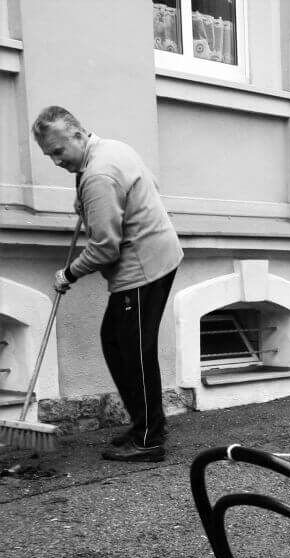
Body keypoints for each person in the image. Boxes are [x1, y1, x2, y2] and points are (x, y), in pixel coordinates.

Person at [32, 106, 183, 462]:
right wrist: (86, 204)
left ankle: (149, 439)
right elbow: (146, 187)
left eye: (57, 151)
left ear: (77, 134)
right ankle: (143, 424)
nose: (55, 160)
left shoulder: (98, 174)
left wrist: (67, 274)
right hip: (156, 254)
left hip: (143, 267)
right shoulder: (110, 149)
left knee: (134, 351)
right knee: (115, 341)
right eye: (48, 154)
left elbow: (104, 248)